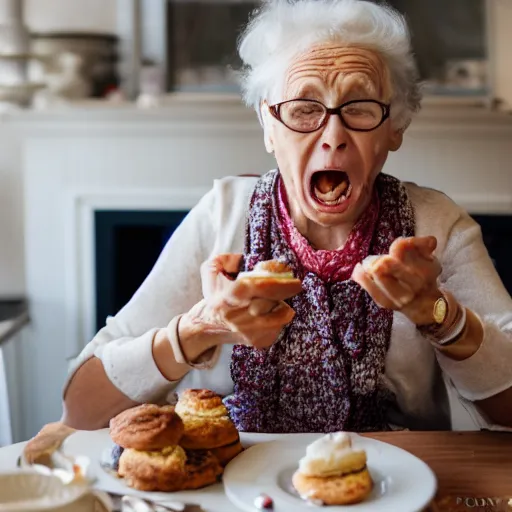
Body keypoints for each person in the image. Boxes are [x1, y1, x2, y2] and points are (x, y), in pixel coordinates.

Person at [62, 0, 512, 433]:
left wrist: (440, 316)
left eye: (359, 108)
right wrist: (199, 329)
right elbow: (81, 408)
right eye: (303, 110)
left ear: (395, 128)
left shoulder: (436, 228)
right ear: (268, 127)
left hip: (395, 485)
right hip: (235, 481)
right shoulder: (223, 216)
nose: (332, 136)